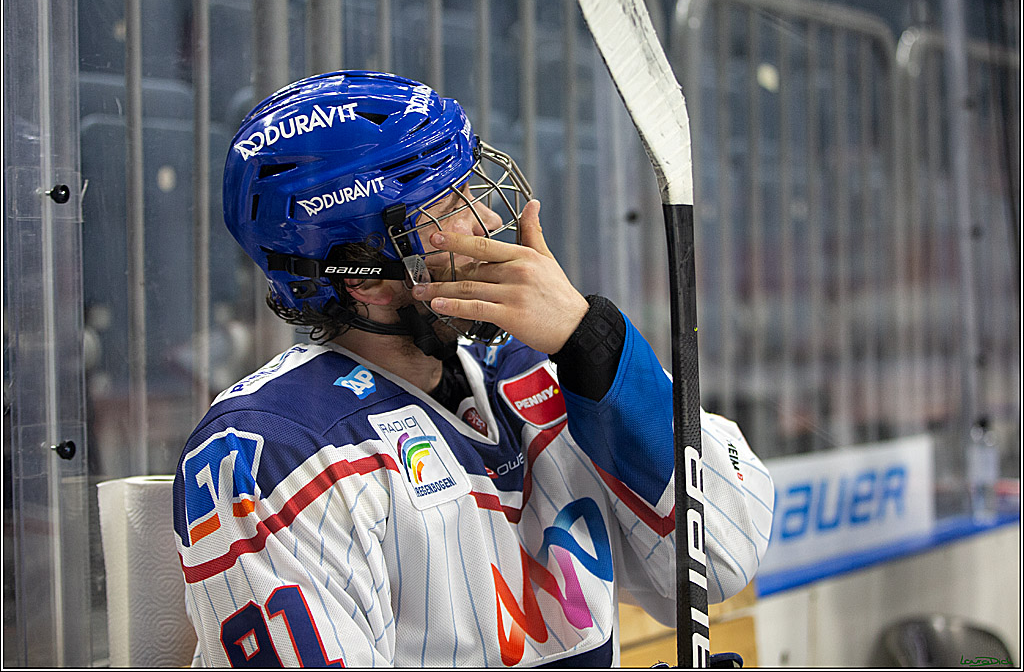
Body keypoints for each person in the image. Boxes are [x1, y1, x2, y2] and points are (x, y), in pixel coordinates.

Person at [172, 70, 774, 667]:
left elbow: (726, 555)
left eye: (469, 187)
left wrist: (591, 343)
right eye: (446, 206)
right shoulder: (271, 453)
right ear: (368, 278)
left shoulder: (546, 368)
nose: (486, 218)